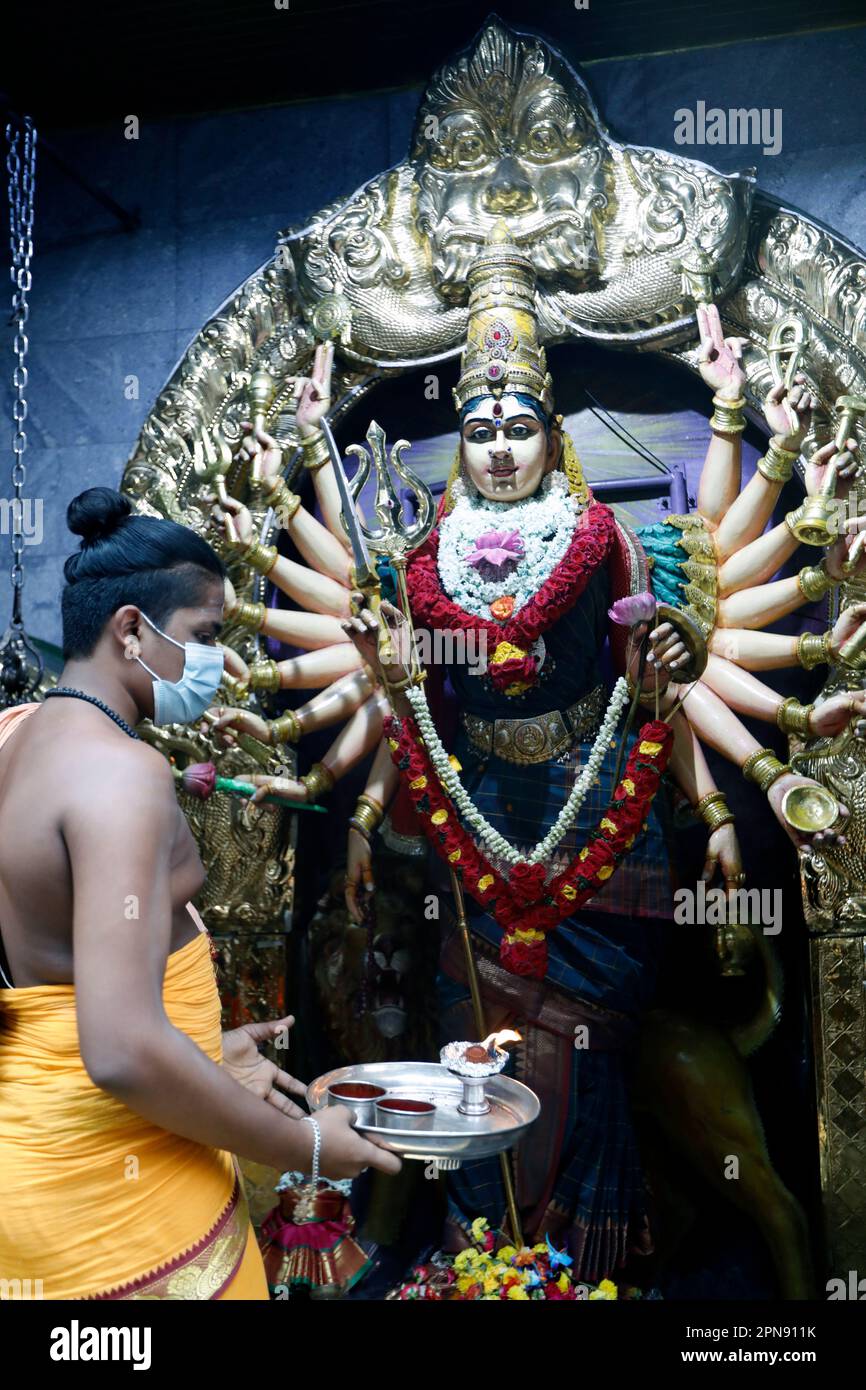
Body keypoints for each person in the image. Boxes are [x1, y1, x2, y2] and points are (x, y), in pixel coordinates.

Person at [0, 486, 399, 1301]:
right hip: (120, 1199)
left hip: (36, 1165)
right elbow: (117, 1050)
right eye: (206, 636)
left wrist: (204, 1049)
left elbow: (65, 976)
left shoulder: (12, 736)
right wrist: (310, 1150)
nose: (219, 661)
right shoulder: (124, 775)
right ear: (131, 631)